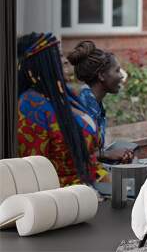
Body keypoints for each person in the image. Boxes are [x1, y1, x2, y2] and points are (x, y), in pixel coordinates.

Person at [17, 32, 106, 186]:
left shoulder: (66, 97)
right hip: (65, 199)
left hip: (95, 187)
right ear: (42, 63)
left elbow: (89, 156)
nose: (65, 61)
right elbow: (34, 172)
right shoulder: (30, 105)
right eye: (57, 56)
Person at [67, 41, 135, 164]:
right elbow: (78, 153)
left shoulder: (94, 103)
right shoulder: (82, 106)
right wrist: (108, 154)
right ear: (102, 76)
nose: (121, 76)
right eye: (117, 71)